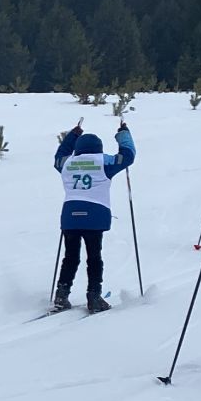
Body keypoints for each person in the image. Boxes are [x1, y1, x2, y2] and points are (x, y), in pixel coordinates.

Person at [52, 120, 135, 313]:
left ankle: (61, 296)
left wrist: (73, 135)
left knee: (70, 257)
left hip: (70, 216)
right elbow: (127, 156)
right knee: (94, 257)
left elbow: (58, 155)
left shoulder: (66, 163)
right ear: (98, 148)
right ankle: (94, 297)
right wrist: (124, 134)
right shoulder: (103, 161)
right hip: (95, 216)